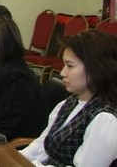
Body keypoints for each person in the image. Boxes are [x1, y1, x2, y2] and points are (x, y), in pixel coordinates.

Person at [21, 30, 117, 166]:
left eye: (70, 66)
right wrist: (12, 158)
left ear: (96, 68)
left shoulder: (105, 119)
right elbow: (41, 146)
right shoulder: (68, 102)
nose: (62, 73)